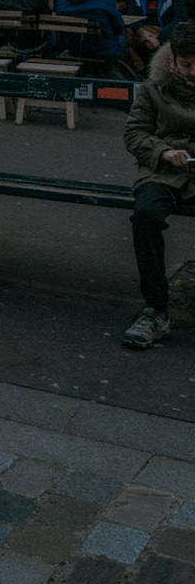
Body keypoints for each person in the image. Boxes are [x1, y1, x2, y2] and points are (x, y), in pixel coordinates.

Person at [121, 19, 195, 348]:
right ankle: (156, 310)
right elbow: (135, 134)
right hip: (165, 170)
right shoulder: (153, 88)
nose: (194, 72)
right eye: (188, 65)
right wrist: (163, 152)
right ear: (172, 60)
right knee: (146, 216)